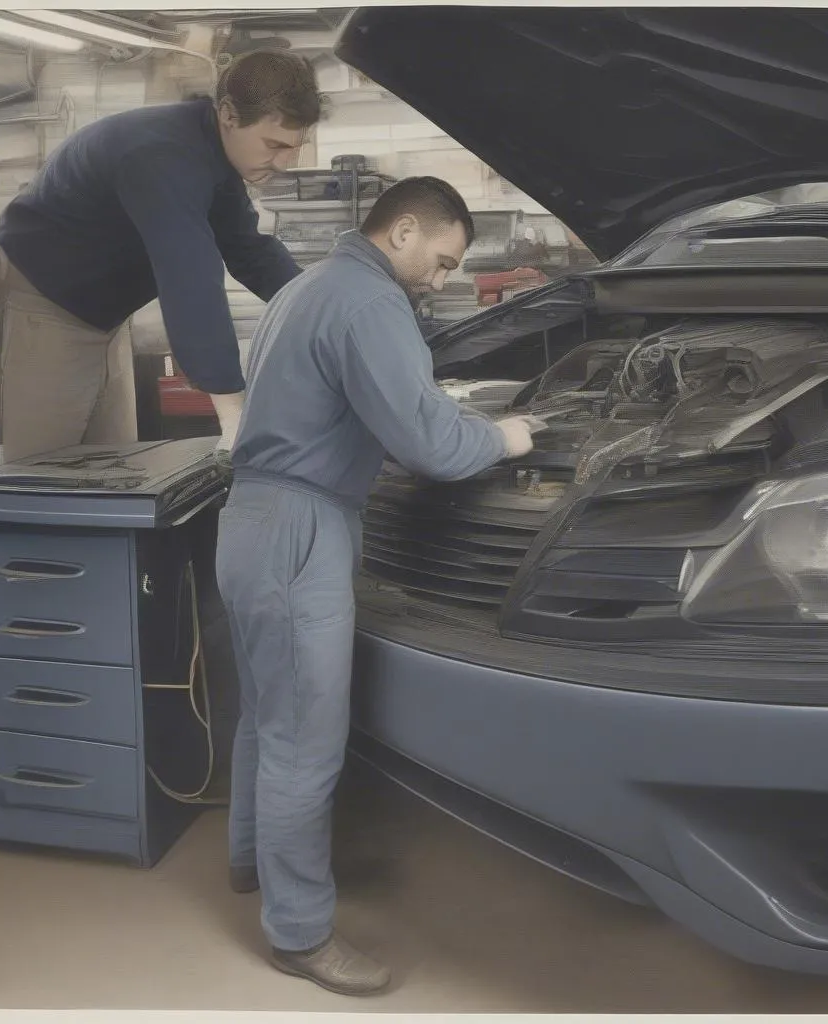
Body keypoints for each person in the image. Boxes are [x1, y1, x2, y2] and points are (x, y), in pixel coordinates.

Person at [215, 176, 538, 996]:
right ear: (402, 231)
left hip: (251, 520)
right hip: (301, 530)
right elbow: (430, 442)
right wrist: (504, 435)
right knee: (305, 743)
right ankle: (299, 934)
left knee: (265, 714)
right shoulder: (369, 304)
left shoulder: (303, 287)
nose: (442, 278)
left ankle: (251, 862)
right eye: (441, 259)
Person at [0, 48, 321, 463]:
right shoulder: (162, 156)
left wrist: (325, 309)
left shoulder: (214, 157)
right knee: (45, 474)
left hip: (105, 314)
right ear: (229, 115)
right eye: (274, 144)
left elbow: (250, 251)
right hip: (48, 303)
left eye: (293, 147)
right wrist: (235, 419)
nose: (284, 162)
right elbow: (191, 279)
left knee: (114, 465)